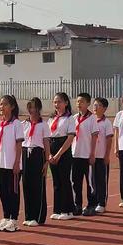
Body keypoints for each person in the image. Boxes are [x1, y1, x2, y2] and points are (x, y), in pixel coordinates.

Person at [0, 95, 24, 232]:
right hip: (1, 163)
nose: (2, 107)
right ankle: (6, 217)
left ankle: (14, 219)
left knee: (13, 192)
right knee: (3, 192)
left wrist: (17, 162)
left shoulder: (16, 123)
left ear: (12, 107)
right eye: (0, 104)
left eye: (5, 104)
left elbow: (19, 144)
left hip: (12, 164)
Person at [21, 98, 50, 226]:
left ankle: (38, 216)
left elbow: (46, 143)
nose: (32, 111)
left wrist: (47, 161)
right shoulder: (23, 124)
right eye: (30, 108)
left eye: (34, 108)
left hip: (38, 154)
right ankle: (29, 215)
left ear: (38, 109)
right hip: (25, 153)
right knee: (26, 185)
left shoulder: (43, 125)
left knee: (37, 185)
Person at [48, 92, 76, 220]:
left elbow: (70, 138)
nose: (56, 104)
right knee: (56, 180)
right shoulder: (51, 118)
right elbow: (47, 136)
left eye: (59, 102)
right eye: (55, 102)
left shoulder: (69, 118)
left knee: (64, 180)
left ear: (65, 103)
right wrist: (49, 154)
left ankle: (68, 210)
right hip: (52, 147)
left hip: (63, 150)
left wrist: (59, 154)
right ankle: (58, 208)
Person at [71, 93, 99, 216]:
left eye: (81, 101)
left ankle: (91, 204)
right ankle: (77, 204)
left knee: (89, 183)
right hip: (75, 154)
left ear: (88, 103)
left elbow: (94, 136)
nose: (79, 104)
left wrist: (92, 153)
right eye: (77, 101)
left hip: (86, 154)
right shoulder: (74, 118)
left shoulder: (92, 118)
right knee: (75, 182)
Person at [93, 97, 114, 213]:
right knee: (93, 180)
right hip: (92, 156)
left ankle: (101, 202)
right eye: (94, 105)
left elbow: (109, 140)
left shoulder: (106, 123)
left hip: (101, 156)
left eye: (98, 105)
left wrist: (106, 155)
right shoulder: (91, 120)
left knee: (101, 180)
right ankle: (94, 201)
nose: (95, 107)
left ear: (104, 108)